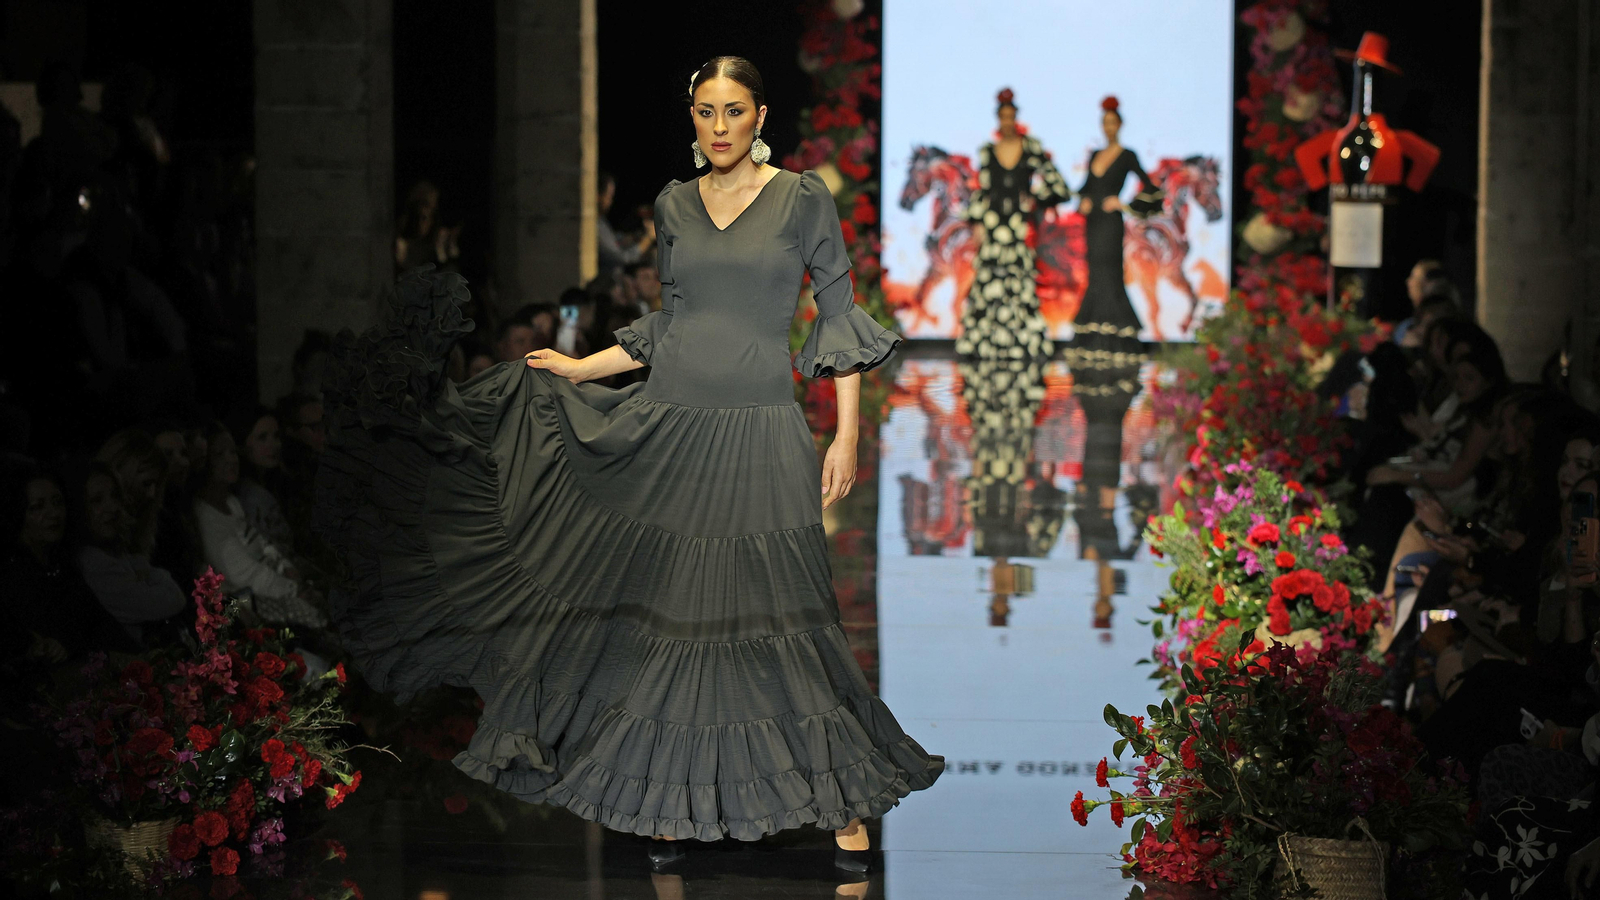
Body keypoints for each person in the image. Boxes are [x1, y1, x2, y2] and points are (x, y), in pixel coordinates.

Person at [314, 55, 941, 876]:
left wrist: (847, 434)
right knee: (668, 623)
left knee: (789, 614)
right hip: (672, 429)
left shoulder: (801, 197)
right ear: (692, 117)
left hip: (759, 433)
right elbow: (670, 323)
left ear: (761, 118)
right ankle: (667, 800)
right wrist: (579, 369)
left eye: (734, 110)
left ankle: (842, 801)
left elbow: (838, 315)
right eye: (706, 111)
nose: (719, 126)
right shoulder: (674, 206)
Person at [955, 87, 1070, 363]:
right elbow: (982, 191)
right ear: (998, 119)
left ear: (1016, 118)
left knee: (1019, 290)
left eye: (1011, 117)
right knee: (988, 288)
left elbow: (1060, 188)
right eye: (1002, 117)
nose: (1007, 123)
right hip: (994, 231)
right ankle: (985, 348)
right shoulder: (987, 151)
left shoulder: (1031, 148)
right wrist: (977, 222)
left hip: (1018, 231)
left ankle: (1023, 347)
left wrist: (1034, 200)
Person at [193, 422, 327, 630]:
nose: (231, 459)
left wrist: (288, 570)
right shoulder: (205, 514)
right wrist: (294, 589)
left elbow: (262, 545)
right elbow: (244, 574)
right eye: (220, 454)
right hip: (245, 603)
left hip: (275, 589)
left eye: (232, 452)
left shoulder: (231, 502)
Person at [1065, 95, 1162, 373]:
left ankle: (1116, 345)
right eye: (1104, 123)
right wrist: (1082, 201)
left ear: (1120, 125)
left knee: (1110, 274)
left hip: (1110, 223)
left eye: (1112, 123)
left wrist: (1125, 204)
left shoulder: (1127, 155)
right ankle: (1094, 344)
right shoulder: (1095, 155)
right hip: (1093, 223)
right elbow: (1086, 186)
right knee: (1095, 274)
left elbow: (1151, 190)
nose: (1108, 127)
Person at [596, 170, 656, 280]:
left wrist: (635, 237)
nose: (610, 201)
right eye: (609, 196)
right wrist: (648, 239)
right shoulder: (595, 225)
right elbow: (623, 259)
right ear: (598, 195)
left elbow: (614, 241)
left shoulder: (601, 221)